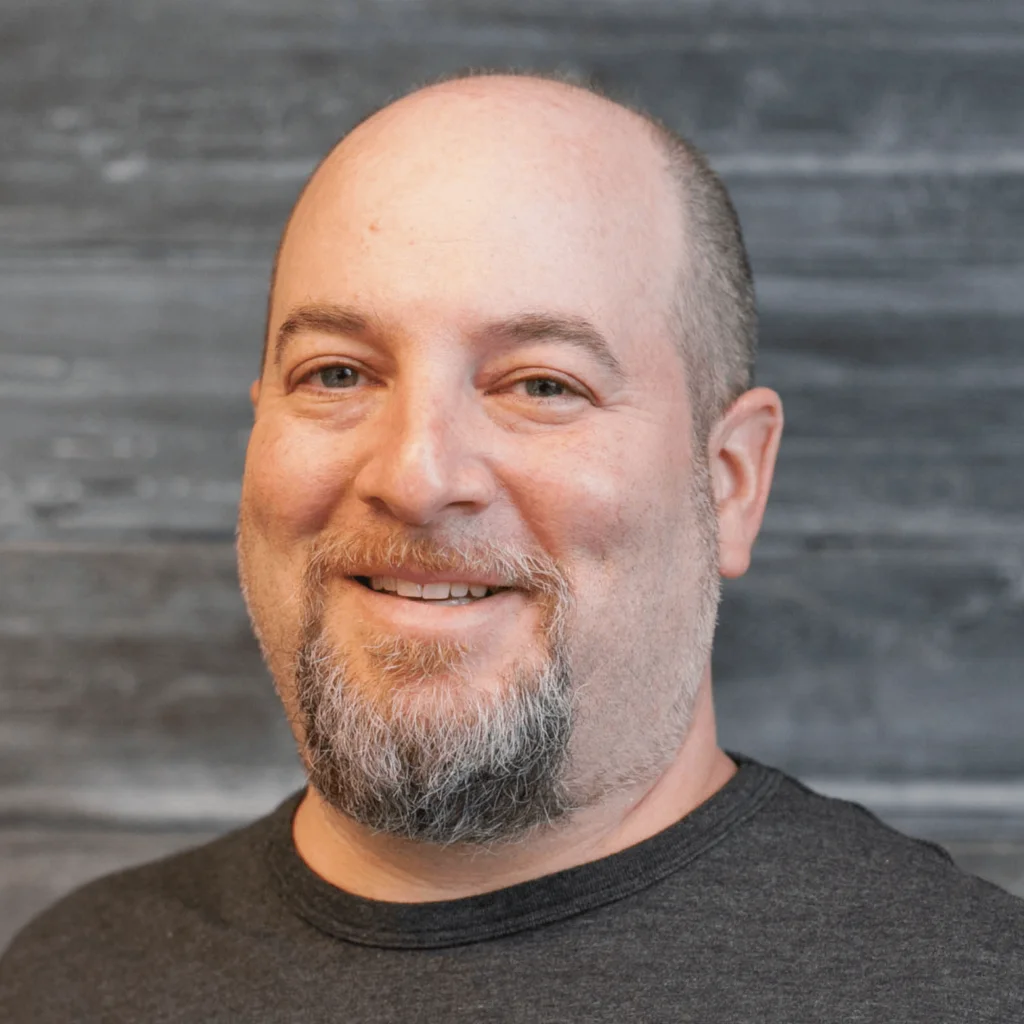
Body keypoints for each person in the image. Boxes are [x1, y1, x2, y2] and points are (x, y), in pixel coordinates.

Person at [1, 70, 1021, 1023]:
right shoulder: (65, 979)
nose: (415, 474)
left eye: (541, 385)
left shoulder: (968, 990)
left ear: (730, 481)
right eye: (339, 373)